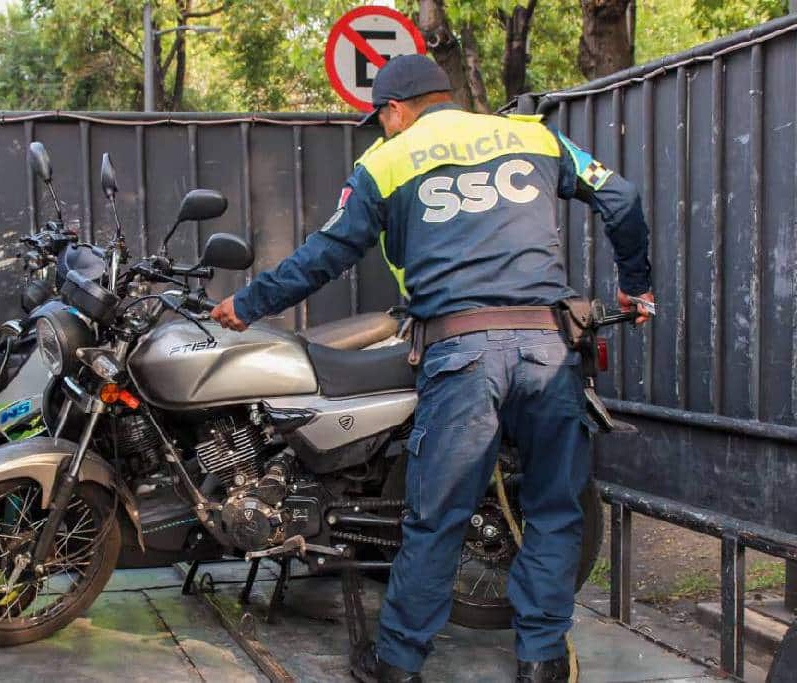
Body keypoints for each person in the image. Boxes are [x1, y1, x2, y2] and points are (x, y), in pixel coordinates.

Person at [211, 54, 654, 683]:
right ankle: (542, 661)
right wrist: (635, 285)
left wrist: (248, 304)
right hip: (548, 350)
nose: (381, 129)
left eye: (380, 119)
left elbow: (325, 254)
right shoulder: (532, 136)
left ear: (395, 110)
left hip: (462, 355)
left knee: (437, 516)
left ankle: (398, 664)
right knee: (554, 510)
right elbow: (622, 197)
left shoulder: (387, 162)